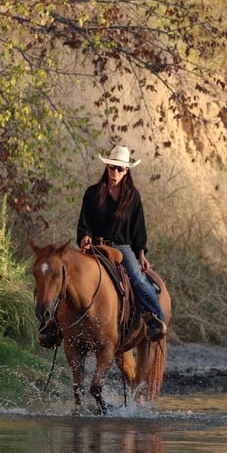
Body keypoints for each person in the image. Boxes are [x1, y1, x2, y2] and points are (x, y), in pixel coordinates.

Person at [76, 144, 167, 342]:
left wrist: (141, 253)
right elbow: (84, 223)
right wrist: (84, 236)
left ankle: (156, 319)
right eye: (111, 167)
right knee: (71, 275)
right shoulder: (92, 193)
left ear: (127, 171)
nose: (115, 172)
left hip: (122, 248)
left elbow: (138, 228)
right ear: (106, 168)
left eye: (120, 168)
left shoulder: (133, 197)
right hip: (96, 246)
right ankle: (56, 325)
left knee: (137, 277)